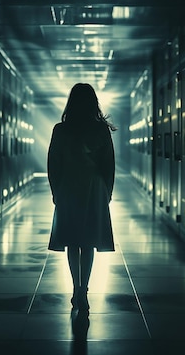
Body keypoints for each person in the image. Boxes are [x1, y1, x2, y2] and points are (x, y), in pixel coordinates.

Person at [47, 83, 116, 313]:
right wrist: (107, 191)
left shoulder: (61, 129)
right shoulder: (100, 130)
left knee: (72, 240)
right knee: (89, 241)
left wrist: (55, 190)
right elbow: (109, 164)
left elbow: (53, 163)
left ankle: (75, 286)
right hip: (93, 189)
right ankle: (83, 289)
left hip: (68, 187)